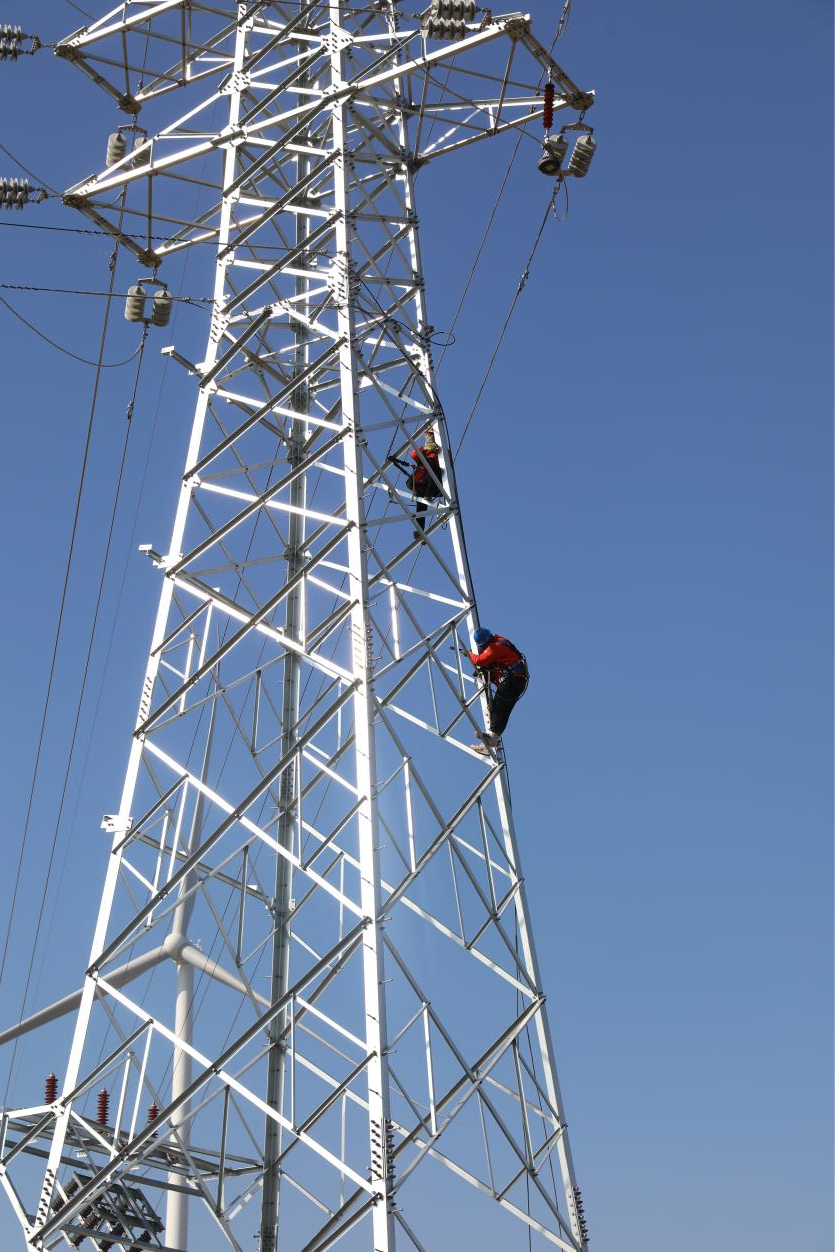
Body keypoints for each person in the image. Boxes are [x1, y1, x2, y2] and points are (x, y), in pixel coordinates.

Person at [467, 626, 529, 753]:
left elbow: (479, 660)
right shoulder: (499, 641)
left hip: (512, 680)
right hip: (519, 681)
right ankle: (493, 739)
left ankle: (492, 737)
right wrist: (486, 675)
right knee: (504, 710)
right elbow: (496, 672)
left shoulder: (494, 647)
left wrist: (469, 653)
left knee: (498, 707)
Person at [395, 429, 445, 535]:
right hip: (422, 485)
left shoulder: (442, 452)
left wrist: (437, 450)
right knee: (421, 505)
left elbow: (446, 460)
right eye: (428, 435)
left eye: (431, 435)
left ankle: (427, 495)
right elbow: (414, 454)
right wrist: (427, 448)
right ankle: (420, 530)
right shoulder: (423, 452)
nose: (430, 437)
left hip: (435, 486)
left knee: (432, 466)